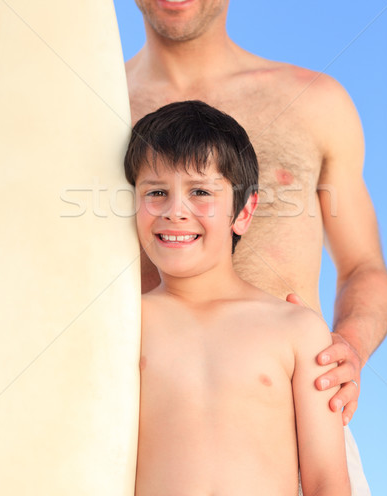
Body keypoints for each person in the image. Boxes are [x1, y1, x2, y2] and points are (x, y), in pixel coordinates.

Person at [119, 0, 387, 491]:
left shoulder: (315, 102)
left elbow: (365, 266)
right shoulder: (91, 107)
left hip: (296, 418)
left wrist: (345, 348)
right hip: (141, 442)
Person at [124, 99, 351, 496]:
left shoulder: (296, 329)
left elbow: (327, 482)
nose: (175, 211)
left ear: (243, 213)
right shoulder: (125, 323)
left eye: (200, 192)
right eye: (156, 191)